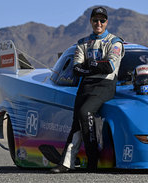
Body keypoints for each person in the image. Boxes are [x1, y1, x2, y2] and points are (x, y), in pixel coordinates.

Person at [50, 7, 125, 173]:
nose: (99, 23)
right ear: (90, 21)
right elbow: (76, 69)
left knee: (85, 112)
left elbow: (110, 67)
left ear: (107, 22)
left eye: (102, 20)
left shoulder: (115, 42)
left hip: (105, 85)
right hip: (85, 85)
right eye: (95, 20)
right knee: (76, 122)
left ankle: (93, 161)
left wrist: (90, 65)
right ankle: (66, 163)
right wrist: (94, 67)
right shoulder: (82, 42)